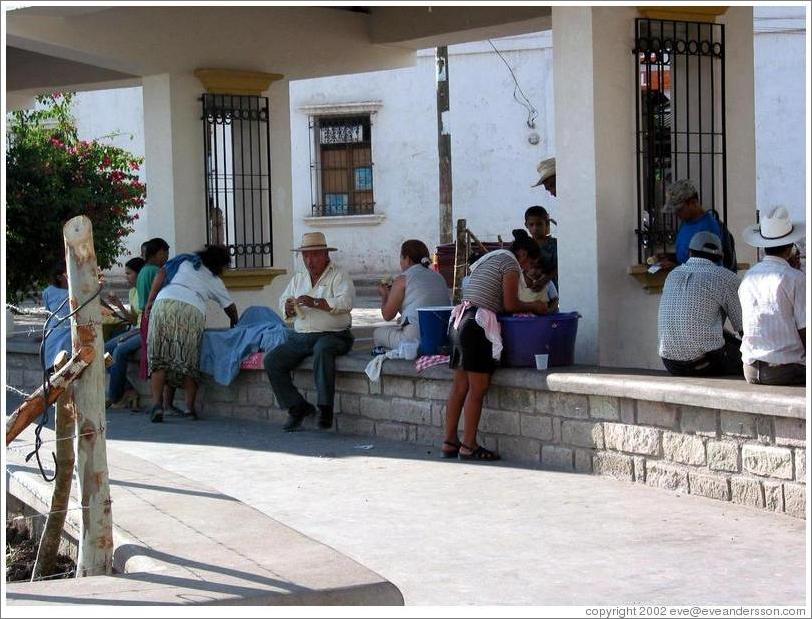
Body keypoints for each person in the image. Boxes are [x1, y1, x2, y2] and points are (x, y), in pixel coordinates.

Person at [443, 229, 549, 462]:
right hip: (476, 325)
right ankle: (468, 446)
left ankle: (450, 441)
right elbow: (510, 304)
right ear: (522, 254)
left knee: (459, 387)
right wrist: (536, 307)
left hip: (459, 321)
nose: (526, 268)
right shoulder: (509, 264)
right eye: (529, 261)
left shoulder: (492, 257)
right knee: (477, 389)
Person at [264, 232, 355, 432]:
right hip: (301, 336)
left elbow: (346, 303)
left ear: (325, 255)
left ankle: (325, 408)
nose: (309, 260)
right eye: (305, 256)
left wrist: (316, 303)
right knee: (272, 360)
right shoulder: (299, 279)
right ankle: (297, 407)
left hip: (334, 334)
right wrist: (287, 308)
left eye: (314, 255)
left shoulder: (339, 275)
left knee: (323, 350)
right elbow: (283, 300)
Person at [146, 245, 238, 422]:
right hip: (191, 310)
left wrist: (150, 301)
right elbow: (230, 308)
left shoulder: (185, 260)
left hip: (164, 304)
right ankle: (189, 409)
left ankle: (157, 406)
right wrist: (235, 323)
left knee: (159, 359)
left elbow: (161, 275)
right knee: (189, 361)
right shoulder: (214, 280)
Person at [657, 232, 743, 377]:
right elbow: (745, 328)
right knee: (749, 361)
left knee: (724, 337)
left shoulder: (672, 275)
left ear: (690, 252)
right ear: (719, 256)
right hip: (705, 364)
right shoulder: (724, 277)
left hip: (671, 363)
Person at [738, 206, 806, 386]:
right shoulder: (795, 278)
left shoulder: (749, 276)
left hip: (750, 370)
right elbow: (805, 329)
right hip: (784, 369)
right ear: (790, 248)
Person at [373, 239, 451, 350]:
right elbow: (414, 306)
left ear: (408, 259)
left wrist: (385, 295)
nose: (400, 263)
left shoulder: (402, 279)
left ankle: (394, 361)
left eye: (401, 258)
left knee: (378, 333)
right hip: (442, 338)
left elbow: (387, 315)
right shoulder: (438, 277)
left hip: (415, 340)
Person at [104, 257, 145, 409]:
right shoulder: (133, 292)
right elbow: (134, 320)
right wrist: (119, 306)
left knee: (120, 350)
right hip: (136, 329)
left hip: (145, 330)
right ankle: (128, 389)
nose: (126, 277)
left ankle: (115, 396)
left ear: (139, 274)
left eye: (129, 273)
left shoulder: (146, 289)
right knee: (105, 349)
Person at [660, 179, 723, 267]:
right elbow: (688, 254)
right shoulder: (686, 223)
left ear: (693, 202)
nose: (676, 214)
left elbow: (707, 267)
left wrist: (676, 268)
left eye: (680, 209)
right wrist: (670, 258)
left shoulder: (708, 227)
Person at [524, 205, 558, 291]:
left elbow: (559, 267)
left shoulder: (554, 244)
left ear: (546, 224)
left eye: (539, 224)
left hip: (552, 289)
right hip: (530, 290)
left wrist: (544, 280)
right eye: (531, 225)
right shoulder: (524, 245)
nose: (535, 228)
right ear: (526, 225)